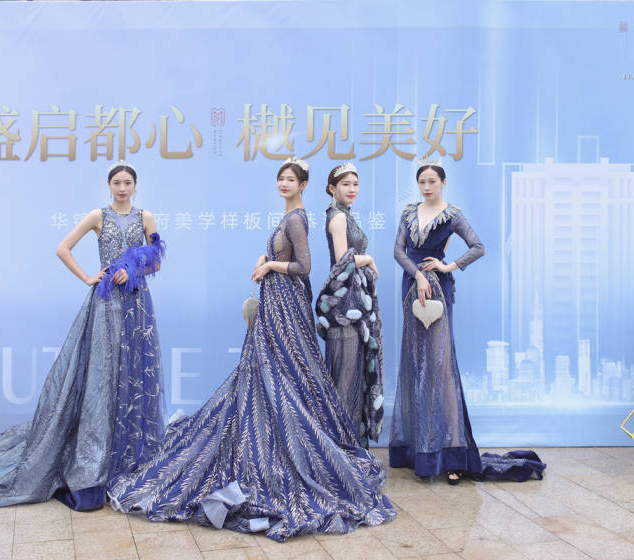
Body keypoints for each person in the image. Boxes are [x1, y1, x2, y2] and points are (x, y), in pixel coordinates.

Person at [107, 157, 395, 542]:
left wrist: (270, 266)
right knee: (270, 375)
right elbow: (289, 259)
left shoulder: (297, 219)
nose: (283, 183)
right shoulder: (289, 217)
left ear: (303, 185)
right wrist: (267, 260)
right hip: (278, 303)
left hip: (288, 305)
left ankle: (292, 450)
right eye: (280, 178)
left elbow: (305, 266)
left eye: (290, 179)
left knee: (284, 376)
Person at [0, 161, 166, 510]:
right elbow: (63, 248)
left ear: (135, 185)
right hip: (105, 305)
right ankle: (95, 460)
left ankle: (130, 454)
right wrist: (89, 277)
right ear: (109, 185)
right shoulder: (98, 216)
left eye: (127, 183)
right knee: (101, 377)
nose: (122, 188)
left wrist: (133, 267)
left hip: (137, 305)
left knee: (134, 375)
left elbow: (156, 263)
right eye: (117, 182)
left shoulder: (146, 218)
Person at [389, 161, 546, 485]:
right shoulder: (408, 212)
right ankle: (420, 450)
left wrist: (448, 267)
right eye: (422, 182)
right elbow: (398, 251)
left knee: (442, 367)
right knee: (415, 363)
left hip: (439, 292)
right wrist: (418, 274)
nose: (426, 187)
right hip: (412, 289)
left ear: (443, 182)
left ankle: (453, 453)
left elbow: (478, 247)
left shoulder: (453, 215)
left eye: (432, 181)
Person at [315, 163, 384, 448]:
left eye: (355, 184)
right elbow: (343, 261)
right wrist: (368, 259)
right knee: (344, 380)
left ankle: (350, 448)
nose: (352, 189)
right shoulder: (338, 218)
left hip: (353, 304)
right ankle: (342, 451)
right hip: (344, 308)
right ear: (332, 188)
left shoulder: (344, 215)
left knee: (353, 376)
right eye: (345, 184)